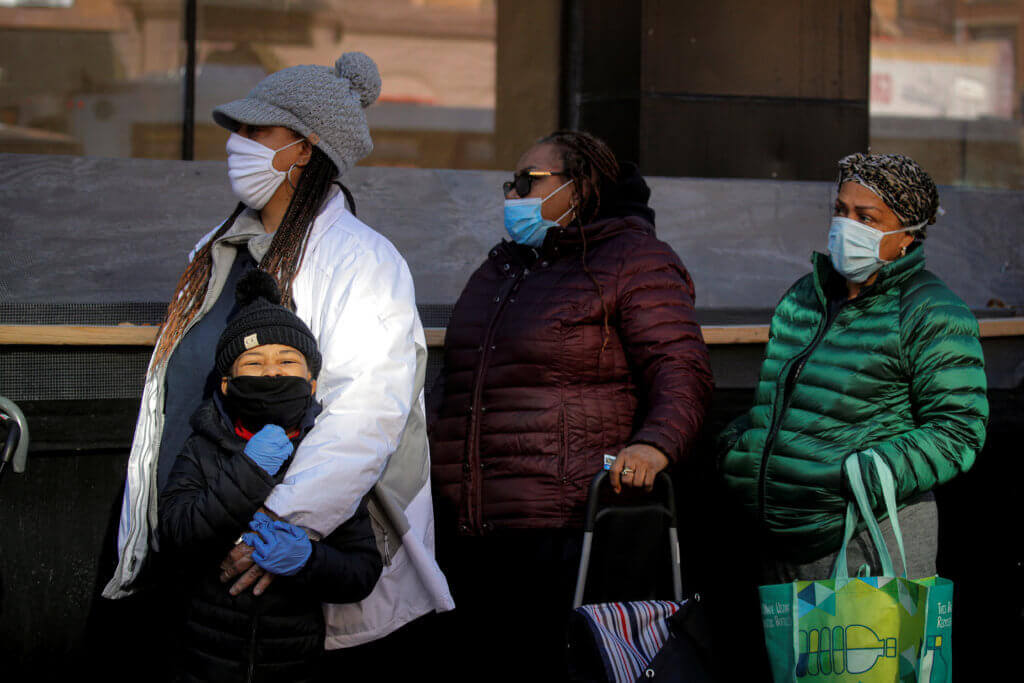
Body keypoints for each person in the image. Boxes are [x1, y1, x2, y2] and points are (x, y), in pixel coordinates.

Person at [103, 51, 453, 659]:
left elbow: (363, 416)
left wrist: (279, 527)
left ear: (305, 149)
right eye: (236, 130)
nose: (236, 143)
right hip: (192, 540)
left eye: (255, 130)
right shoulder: (215, 248)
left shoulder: (361, 261)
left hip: (278, 562)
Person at [428, 130, 714, 675]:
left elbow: (681, 369)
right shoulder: (505, 266)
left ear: (580, 188)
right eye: (511, 182)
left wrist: (656, 445)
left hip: (564, 527)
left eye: (530, 181)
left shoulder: (634, 260)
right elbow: (462, 373)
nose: (514, 194)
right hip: (473, 526)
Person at [719, 152, 989, 583]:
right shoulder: (805, 296)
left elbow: (959, 428)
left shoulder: (931, 310)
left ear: (907, 236)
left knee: (868, 651)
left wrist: (867, 473)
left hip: (868, 536)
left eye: (867, 218)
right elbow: (780, 401)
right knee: (785, 654)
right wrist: (741, 447)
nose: (847, 227)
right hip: (780, 538)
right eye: (841, 211)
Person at [159, 271, 382, 682]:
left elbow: (362, 570)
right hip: (202, 659)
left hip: (295, 664)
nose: (273, 373)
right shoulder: (202, 447)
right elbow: (177, 534)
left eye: (287, 362)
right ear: (227, 384)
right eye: (254, 363)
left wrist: (308, 560)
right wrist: (250, 469)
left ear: (311, 382)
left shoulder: (327, 459)